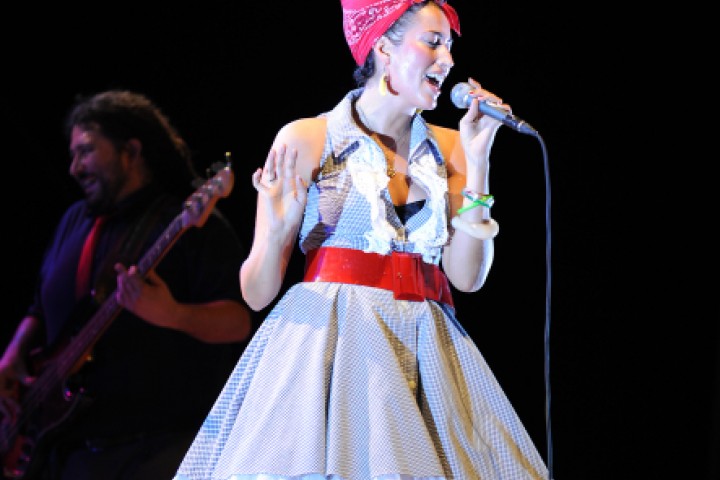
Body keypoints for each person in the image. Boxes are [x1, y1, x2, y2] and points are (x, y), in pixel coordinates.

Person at [174, 1, 548, 479]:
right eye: (432, 42)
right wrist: (283, 225)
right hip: (332, 347)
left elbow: (468, 278)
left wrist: (478, 164)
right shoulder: (308, 138)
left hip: (425, 347)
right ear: (384, 47)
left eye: (450, 47)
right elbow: (256, 292)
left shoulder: (452, 147)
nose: (448, 60)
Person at [0, 90, 253, 480]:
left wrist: (173, 314)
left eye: (86, 151)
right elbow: (39, 306)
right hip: (68, 452)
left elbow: (238, 322)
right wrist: (13, 356)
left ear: (131, 152)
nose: (74, 167)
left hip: (156, 450)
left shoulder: (189, 221)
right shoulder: (74, 220)